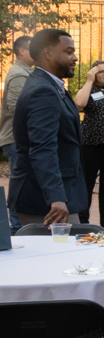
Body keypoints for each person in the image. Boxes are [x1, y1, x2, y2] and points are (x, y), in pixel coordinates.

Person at [7, 29, 86, 225]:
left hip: (60, 194)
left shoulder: (51, 86)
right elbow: (42, 148)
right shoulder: (43, 91)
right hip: (46, 201)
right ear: (48, 54)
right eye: (68, 52)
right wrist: (56, 198)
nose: (75, 57)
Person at [74, 60, 104, 229]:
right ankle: (83, 218)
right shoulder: (89, 91)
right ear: (94, 75)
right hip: (90, 144)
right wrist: (88, 81)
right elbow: (79, 103)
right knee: (87, 182)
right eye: (100, 72)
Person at [0, 35, 34, 231]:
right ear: (21, 51)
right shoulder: (19, 74)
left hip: (17, 138)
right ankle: (17, 225)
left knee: (21, 180)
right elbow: (15, 106)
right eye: (32, 49)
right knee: (20, 181)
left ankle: (18, 223)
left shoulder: (25, 72)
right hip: (15, 138)